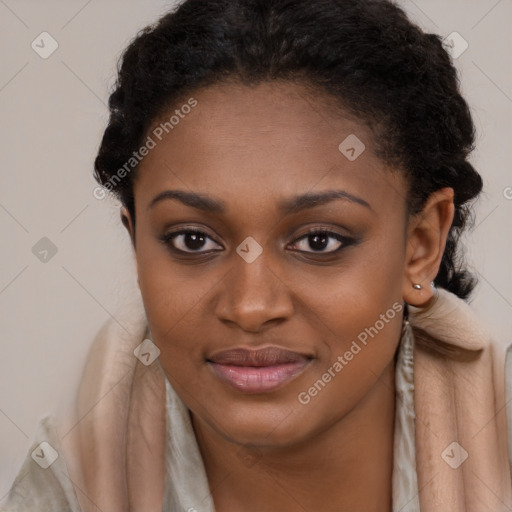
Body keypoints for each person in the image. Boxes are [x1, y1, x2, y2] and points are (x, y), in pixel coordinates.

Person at [2, 0, 511, 510]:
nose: (250, 307)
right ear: (136, 243)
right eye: (193, 240)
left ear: (419, 246)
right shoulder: (71, 480)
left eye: (319, 241)